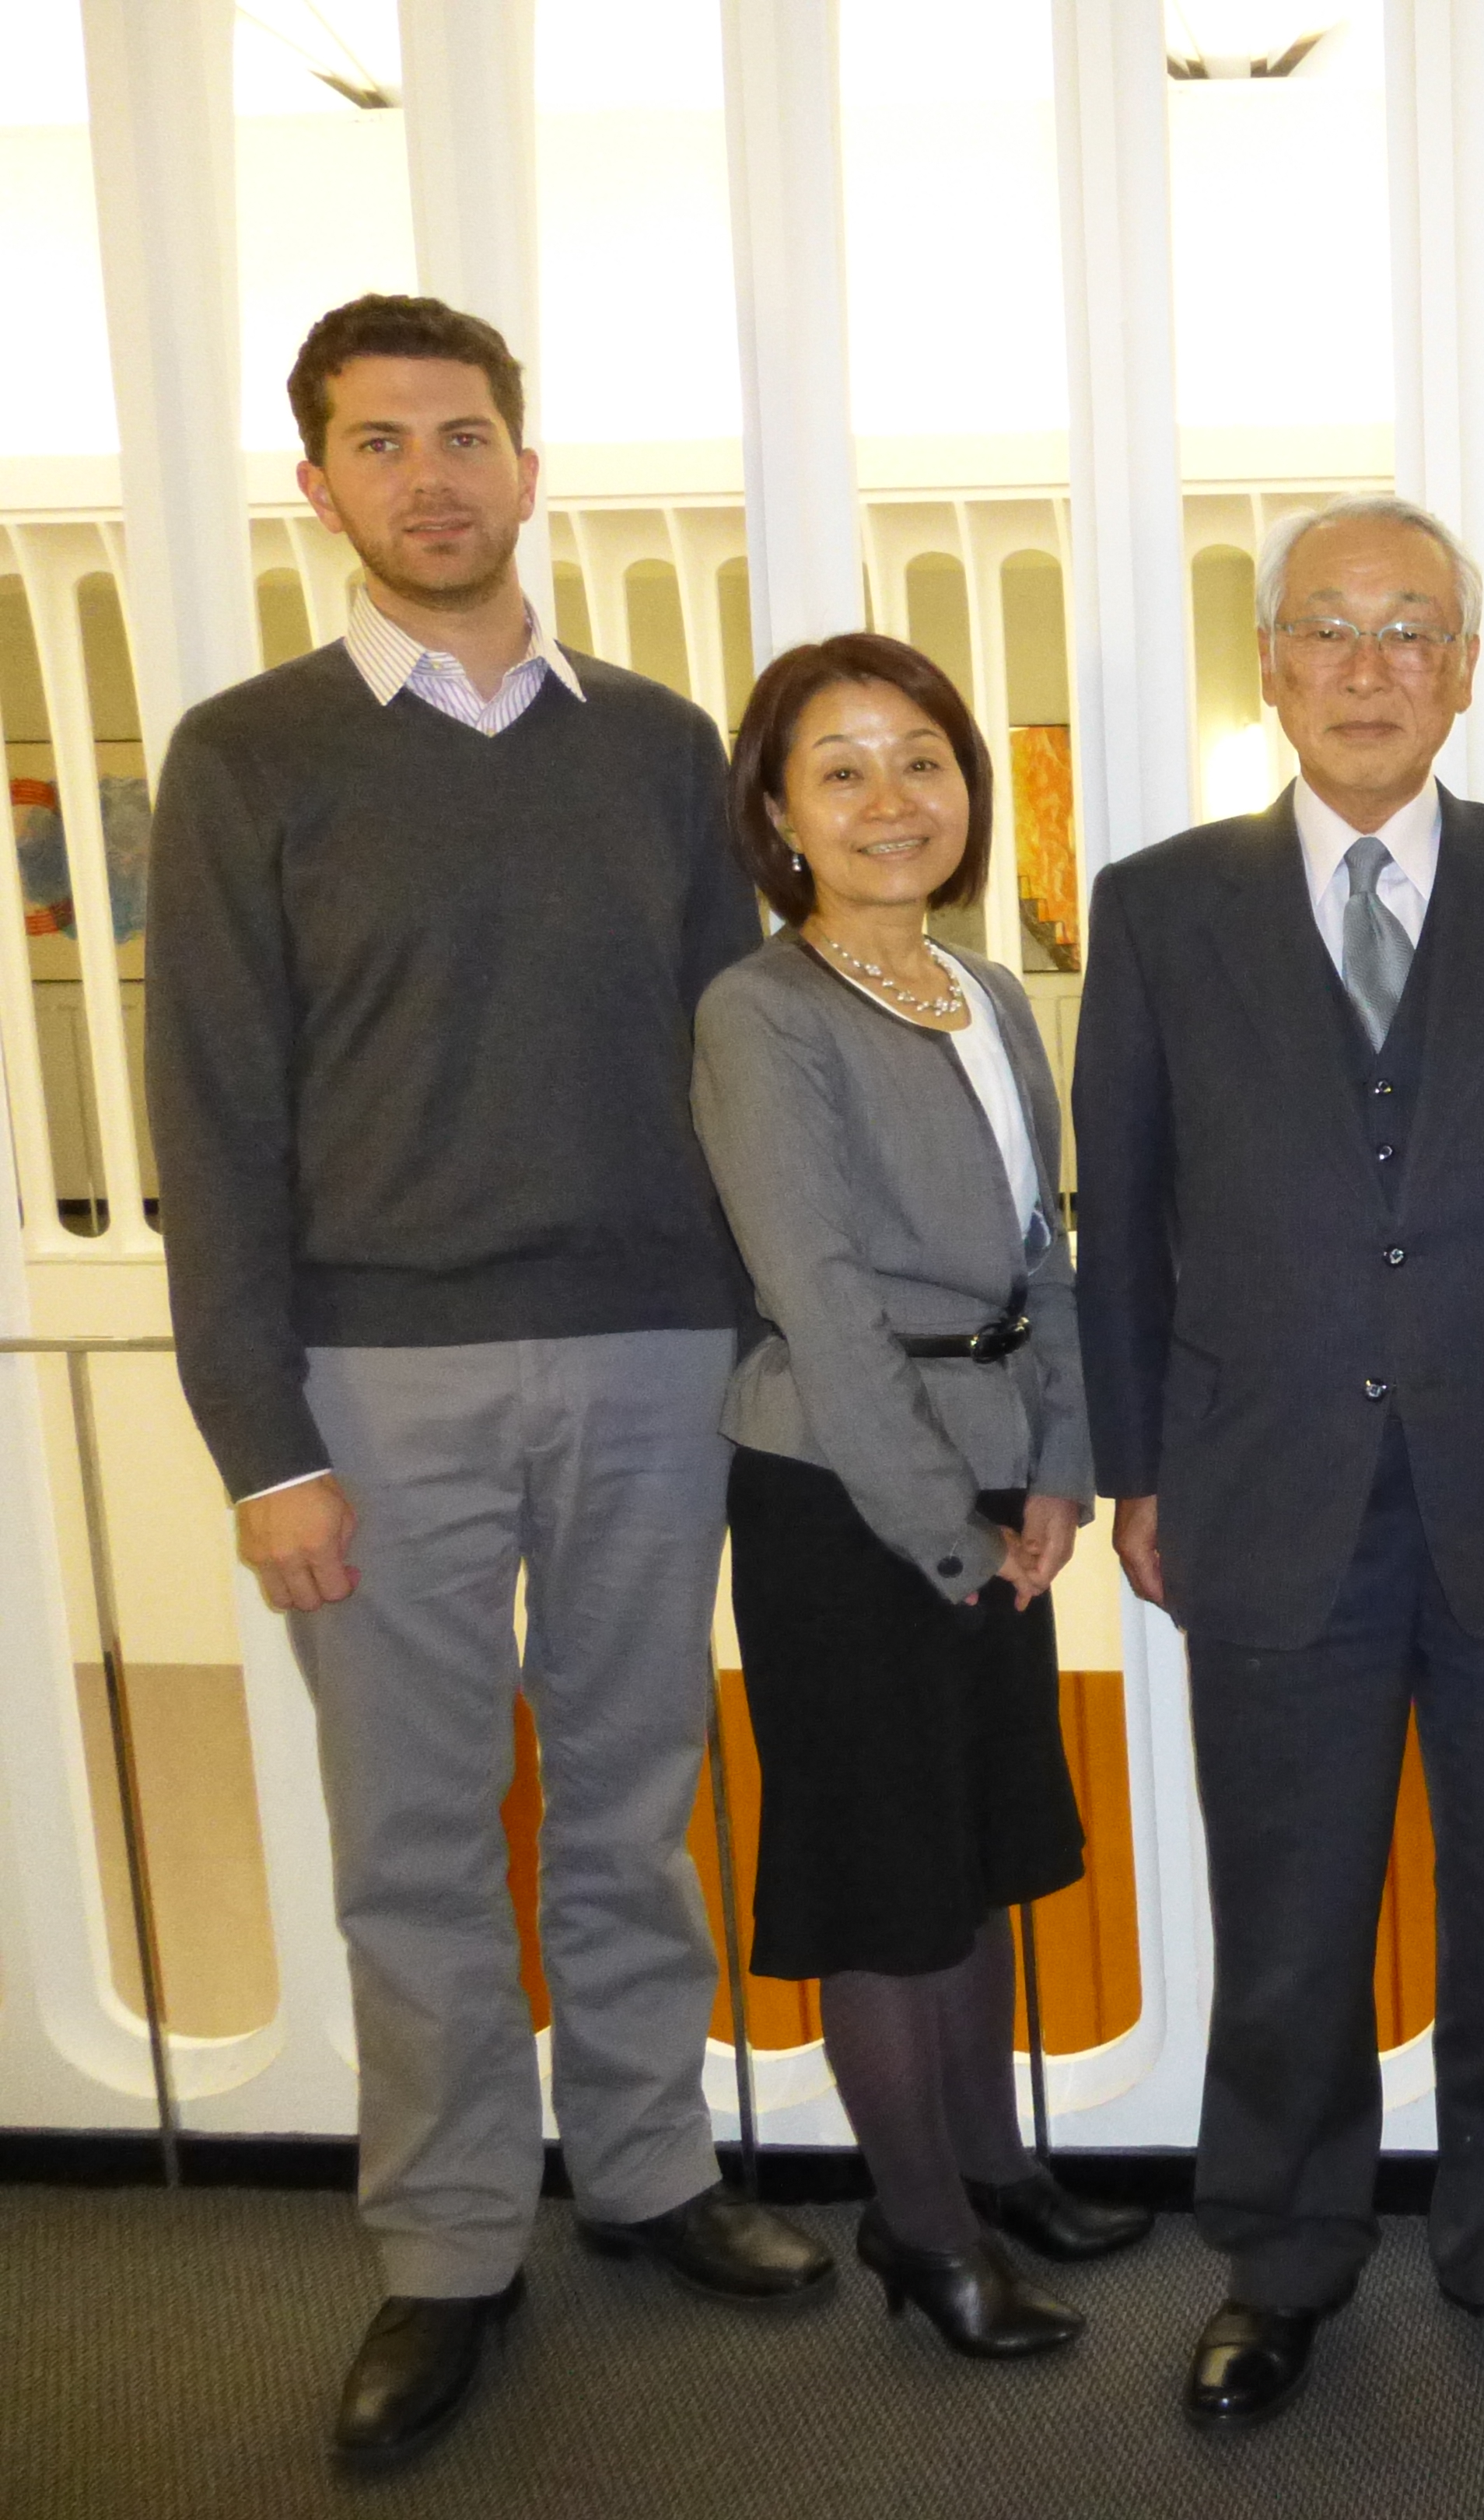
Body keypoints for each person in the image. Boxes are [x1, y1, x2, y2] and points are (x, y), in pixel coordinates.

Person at [145, 295, 828, 2470]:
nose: (428, 477)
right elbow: (209, 1118)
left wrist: (769, 1345)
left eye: (462, 436)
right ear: (318, 485)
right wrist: (261, 1446)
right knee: (415, 1836)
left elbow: (740, 1068)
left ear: (527, 469)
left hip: (653, 1359)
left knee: (633, 1794)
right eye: (379, 442)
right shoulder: (248, 757)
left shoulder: (658, 745)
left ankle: (646, 2169)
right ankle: (445, 2244)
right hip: (374, 1384)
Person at [1072, 494, 1484, 2430]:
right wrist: (1137, 1467)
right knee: (1291, 1916)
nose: (1369, 667)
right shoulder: (1160, 907)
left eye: (1413, 629)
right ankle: (1283, 2258)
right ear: (1270, 665)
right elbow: (1120, 1215)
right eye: (1329, 627)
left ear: (1467, 670)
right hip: (1263, 1489)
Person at [691, 633, 1147, 2362]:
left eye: (923, 760)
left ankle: (993, 2167)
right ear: (779, 813)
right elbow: (816, 1296)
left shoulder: (989, 991)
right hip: (842, 1494)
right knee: (890, 1881)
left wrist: (1058, 1473)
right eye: (842, 770)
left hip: (988, 1477)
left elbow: (1045, 1253)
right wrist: (942, 1528)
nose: (892, 800)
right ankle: (924, 2229)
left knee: (975, 1846)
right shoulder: (763, 1014)